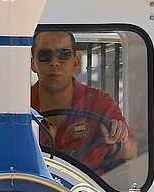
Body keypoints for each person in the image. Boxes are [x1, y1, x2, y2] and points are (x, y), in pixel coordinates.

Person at [29, 29, 137, 172]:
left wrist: (121, 139)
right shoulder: (18, 105)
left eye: (64, 54)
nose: (54, 62)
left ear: (76, 61)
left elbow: (131, 152)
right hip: (32, 190)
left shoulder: (99, 103)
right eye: (45, 56)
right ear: (32, 64)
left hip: (88, 191)